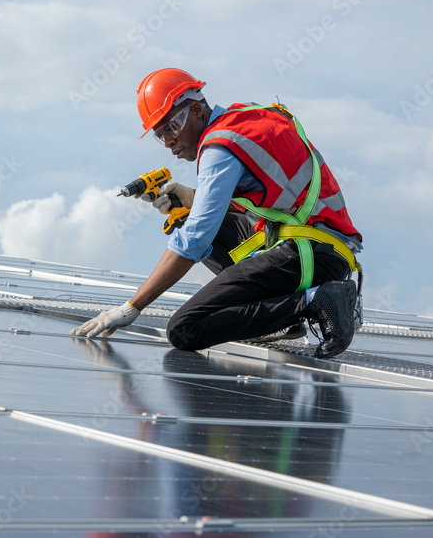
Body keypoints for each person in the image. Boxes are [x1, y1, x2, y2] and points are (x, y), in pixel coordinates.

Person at [71, 68, 363, 359]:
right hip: (317, 243)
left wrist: (132, 306)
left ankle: (313, 301)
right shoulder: (243, 119)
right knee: (187, 215)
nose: (169, 141)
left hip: (310, 253)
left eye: (171, 128)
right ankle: (277, 317)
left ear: (196, 109)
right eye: (160, 136)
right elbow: (273, 200)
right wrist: (192, 200)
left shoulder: (218, 147)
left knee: (185, 328)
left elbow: (196, 239)